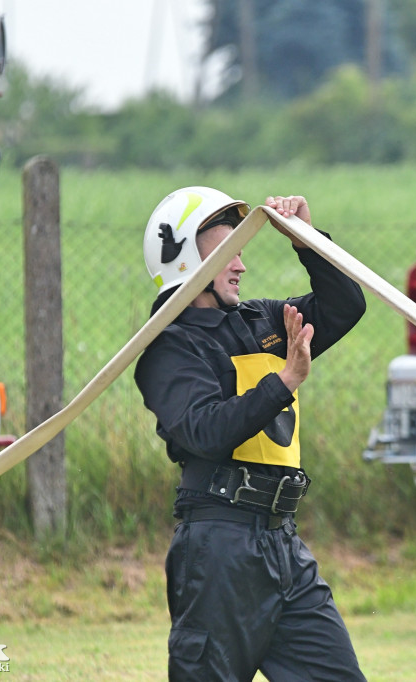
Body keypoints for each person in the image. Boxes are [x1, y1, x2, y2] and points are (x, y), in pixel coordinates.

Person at [134, 186, 367, 681]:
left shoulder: (262, 320)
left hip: (283, 544)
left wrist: (306, 240)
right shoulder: (166, 348)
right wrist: (283, 382)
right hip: (218, 552)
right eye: (228, 254)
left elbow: (346, 305)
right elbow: (206, 431)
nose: (240, 266)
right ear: (186, 261)